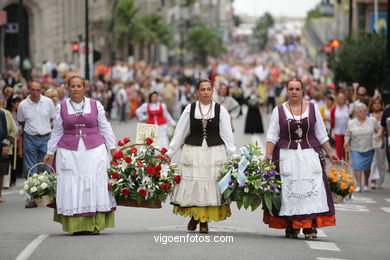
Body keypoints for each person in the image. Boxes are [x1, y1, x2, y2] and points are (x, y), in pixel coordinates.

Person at [264, 78, 339, 239]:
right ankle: (291, 224)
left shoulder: (313, 108)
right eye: (291, 89)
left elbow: (320, 133)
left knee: (313, 190)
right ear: (287, 91)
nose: (294, 92)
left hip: (309, 154)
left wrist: (330, 152)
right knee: (291, 190)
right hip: (287, 155)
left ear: (302, 91)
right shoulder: (279, 110)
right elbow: (272, 135)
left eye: (297, 89)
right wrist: (267, 157)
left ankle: (310, 226)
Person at [43, 75, 118, 235]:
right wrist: (50, 151)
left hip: (94, 151)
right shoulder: (61, 107)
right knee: (73, 183)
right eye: (73, 86)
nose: (76, 89)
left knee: (93, 183)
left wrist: (113, 148)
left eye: (79, 86)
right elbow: (57, 131)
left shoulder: (95, 104)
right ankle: (76, 225)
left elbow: (105, 127)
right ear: (68, 88)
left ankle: (95, 224)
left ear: (84, 88)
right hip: (69, 152)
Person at [167, 79, 236, 234]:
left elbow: (227, 134)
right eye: (203, 89)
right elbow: (180, 133)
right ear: (197, 92)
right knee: (195, 185)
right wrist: (169, 153)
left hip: (214, 152)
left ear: (213, 91)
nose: (206, 92)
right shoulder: (190, 109)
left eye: (208, 89)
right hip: (194, 151)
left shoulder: (220, 110)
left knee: (211, 185)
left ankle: (204, 221)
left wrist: (234, 155)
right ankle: (195, 217)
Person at [17, 80, 55, 208]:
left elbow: (51, 119)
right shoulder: (23, 105)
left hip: (45, 137)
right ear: (29, 89)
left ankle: (47, 196)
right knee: (30, 169)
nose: (35, 92)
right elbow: (21, 121)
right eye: (33, 90)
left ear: (41, 90)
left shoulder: (48, 102)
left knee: (46, 167)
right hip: (30, 138)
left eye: (38, 90)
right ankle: (32, 198)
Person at [344, 103, 380, 192]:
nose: (363, 112)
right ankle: (359, 185)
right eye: (360, 111)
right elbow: (347, 133)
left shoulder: (372, 120)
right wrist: (346, 141)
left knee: (367, 167)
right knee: (357, 165)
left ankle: (366, 183)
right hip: (355, 147)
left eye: (364, 111)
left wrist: (378, 136)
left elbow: (379, 130)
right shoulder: (351, 122)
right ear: (357, 112)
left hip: (369, 147)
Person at [368, 98, 387, 189]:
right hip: (371, 140)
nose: (377, 105)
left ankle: (380, 180)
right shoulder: (368, 115)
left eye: (379, 103)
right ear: (371, 105)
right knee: (373, 160)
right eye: (375, 103)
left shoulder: (385, 114)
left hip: (382, 139)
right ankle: (373, 180)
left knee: (381, 161)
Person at [331, 93, 350, 160]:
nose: (341, 100)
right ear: (337, 99)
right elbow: (332, 120)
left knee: (346, 146)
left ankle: (346, 160)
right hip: (337, 130)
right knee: (338, 147)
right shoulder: (334, 109)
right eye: (339, 99)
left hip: (346, 131)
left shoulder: (348, 107)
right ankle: (338, 160)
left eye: (342, 99)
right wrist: (332, 131)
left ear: (344, 100)